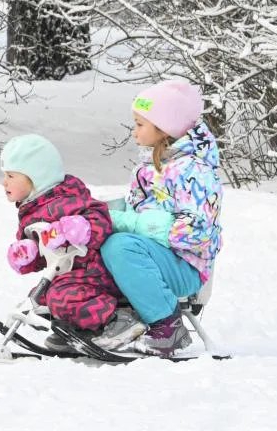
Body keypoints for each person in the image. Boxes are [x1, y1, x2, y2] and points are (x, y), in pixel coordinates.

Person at [96, 80, 224, 356]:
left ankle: (167, 326)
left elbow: (198, 232)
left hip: (186, 267)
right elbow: (141, 213)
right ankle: (98, 321)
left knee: (119, 247)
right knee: (97, 240)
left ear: (164, 128)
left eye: (140, 124)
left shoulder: (194, 171)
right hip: (157, 259)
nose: (134, 131)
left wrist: (137, 225)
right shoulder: (150, 167)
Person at [1, 135, 118, 350]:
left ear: (35, 177)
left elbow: (100, 219)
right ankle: (75, 331)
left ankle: (117, 321)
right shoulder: (30, 210)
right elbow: (40, 252)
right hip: (65, 274)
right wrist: (27, 254)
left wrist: (79, 228)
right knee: (41, 299)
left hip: (93, 274)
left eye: (10, 176)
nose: (4, 182)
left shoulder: (67, 200)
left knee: (61, 298)